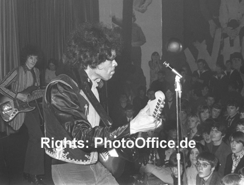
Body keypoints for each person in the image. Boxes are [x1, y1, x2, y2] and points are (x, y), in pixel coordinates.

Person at [42, 23, 161, 185]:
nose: (115, 64)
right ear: (93, 58)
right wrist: (132, 126)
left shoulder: (92, 87)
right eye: (110, 59)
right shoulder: (61, 88)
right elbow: (82, 137)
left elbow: (101, 134)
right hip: (70, 168)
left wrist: (141, 128)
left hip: (95, 164)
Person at [0, 45, 45, 184]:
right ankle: (33, 174)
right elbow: (1, 86)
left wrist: (43, 93)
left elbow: (35, 90)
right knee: (37, 137)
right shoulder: (17, 71)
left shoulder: (37, 71)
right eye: (31, 57)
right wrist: (17, 95)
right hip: (17, 107)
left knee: (35, 138)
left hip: (32, 107)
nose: (33, 61)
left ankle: (30, 172)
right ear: (25, 57)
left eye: (36, 58)